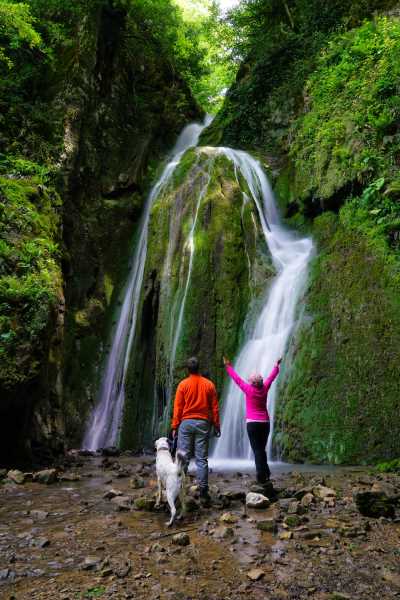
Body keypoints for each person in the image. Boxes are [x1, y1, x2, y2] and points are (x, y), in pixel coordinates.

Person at [223, 356, 282, 485]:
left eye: (250, 380)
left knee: (257, 450)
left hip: (252, 424)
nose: (248, 381)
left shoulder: (248, 389)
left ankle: (261, 476)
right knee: (261, 449)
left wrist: (228, 366)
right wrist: (276, 365)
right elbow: (272, 377)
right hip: (265, 423)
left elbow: (237, 380)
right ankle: (266, 472)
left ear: (252, 383)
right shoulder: (265, 387)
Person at [172, 356, 220, 505]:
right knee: (201, 459)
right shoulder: (209, 385)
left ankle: (179, 490)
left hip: (186, 423)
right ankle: (204, 493)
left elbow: (178, 407)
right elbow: (214, 408)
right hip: (203, 423)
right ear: (198, 368)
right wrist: (217, 425)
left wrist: (175, 426)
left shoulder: (183, 385)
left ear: (188, 369)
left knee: (183, 458)